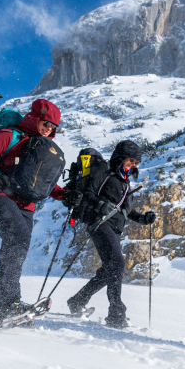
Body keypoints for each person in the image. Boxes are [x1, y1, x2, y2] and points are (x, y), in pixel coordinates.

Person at [0, 98, 66, 322]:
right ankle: (5, 304)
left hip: (27, 205)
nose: (49, 129)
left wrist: (65, 195)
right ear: (35, 118)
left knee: (17, 248)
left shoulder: (43, 148)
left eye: (53, 127)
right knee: (17, 239)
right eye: (46, 123)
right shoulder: (9, 136)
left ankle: (1, 307)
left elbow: (44, 183)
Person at [66, 140, 156, 329]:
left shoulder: (125, 183)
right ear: (121, 157)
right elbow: (88, 193)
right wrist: (100, 205)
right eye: (131, 160)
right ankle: (116, 313)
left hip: (114, 228)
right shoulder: (104, 170)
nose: (134, 164)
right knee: (117, 264)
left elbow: (125, 211)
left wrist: (143, 219)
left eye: (137, 162)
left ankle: (77, 301)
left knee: (110, 269)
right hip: (98, 222)